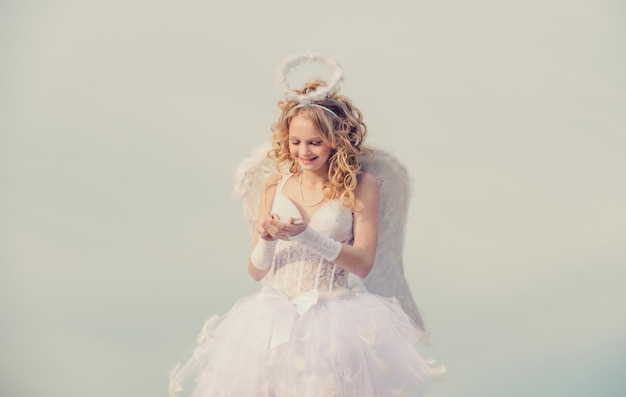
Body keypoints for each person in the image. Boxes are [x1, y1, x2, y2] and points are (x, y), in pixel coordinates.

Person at [168, 53, 444, 397]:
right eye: (296, 142)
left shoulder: (361, 186)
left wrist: (307, 236)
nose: (304, 151)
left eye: (315, 142)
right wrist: (267, 238)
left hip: (333, 326)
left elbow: (363, 262)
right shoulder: (275, 185)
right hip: (268, 322)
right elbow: (256, 271)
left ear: (336, 140)